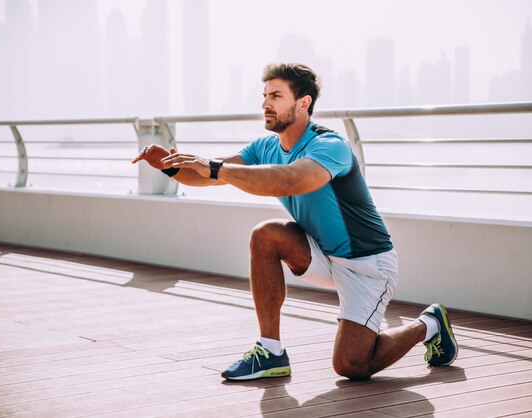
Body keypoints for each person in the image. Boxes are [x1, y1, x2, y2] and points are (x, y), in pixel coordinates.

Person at [132, 62, 458, 381]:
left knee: (351, 366)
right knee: (266, 235)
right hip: (322, 253)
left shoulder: (330, 146)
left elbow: (290, 180)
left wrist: (215, 167)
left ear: (303, 103)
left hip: (367, 264)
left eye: (276, 96)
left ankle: (429, 324)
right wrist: (168, 166)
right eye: (264, 95)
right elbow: (206, 176)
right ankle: (270, 351)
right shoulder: (265, 147)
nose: (265, 104)